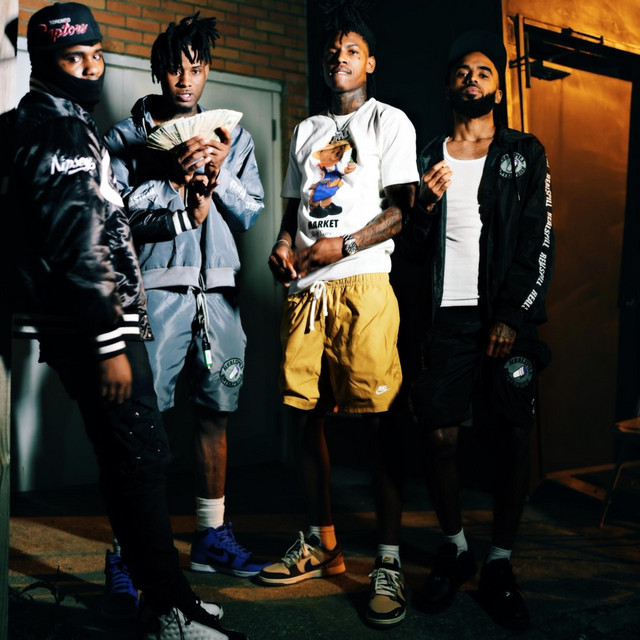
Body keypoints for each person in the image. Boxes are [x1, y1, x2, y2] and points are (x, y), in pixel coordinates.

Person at [1, 3, 248, 639]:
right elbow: (80, 243)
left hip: (105, 320)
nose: (90, 68)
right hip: (102, 326)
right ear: (44, 63)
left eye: (96, 55)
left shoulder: (63, 122)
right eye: (73, 58)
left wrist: (189, 210)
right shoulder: (62, 129)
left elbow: (107, 221)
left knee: (134, 459)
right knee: (140, 460)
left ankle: (170, 600)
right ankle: (166, 610)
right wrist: (111, 341)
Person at [262, 0, 417, 629]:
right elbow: (293, 209)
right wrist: (283, 243)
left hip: (362, 285)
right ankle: (322, 545)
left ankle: (388, 560)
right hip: (306, 291)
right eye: (333, 50)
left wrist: (344, 245)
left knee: (380, 423)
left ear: (370, 62)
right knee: (305, 418)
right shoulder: (306, 130)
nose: (339, 57)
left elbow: (403, 210)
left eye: (352, 50)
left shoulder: (388, 121)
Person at [103, 13, 266, 581]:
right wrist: (171, 179)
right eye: (175, 69)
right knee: (140, 426)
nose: (185, 80)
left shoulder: (233, 137)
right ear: (159, 72)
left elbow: (250, 213)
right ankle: (126, 555)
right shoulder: (126, 138)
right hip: (156, 293)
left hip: (219, 293)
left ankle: (210, 537)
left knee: (215, 416)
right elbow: (116, 215)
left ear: (207, 71)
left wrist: (222, 174)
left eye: (196, 69)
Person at [402, 30, 554, 633]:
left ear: (498, 88)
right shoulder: (424, 156)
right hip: (445, 319)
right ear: (448, 85)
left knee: (512, 437)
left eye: (484, 71)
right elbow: (408, 251)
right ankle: (456, 548)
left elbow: (538, 238)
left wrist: (512, 316)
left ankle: (500, 562)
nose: (472, 78)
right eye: (463, 71)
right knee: (438, 436)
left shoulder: (523, 152)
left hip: (504, 318)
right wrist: (422, 209)